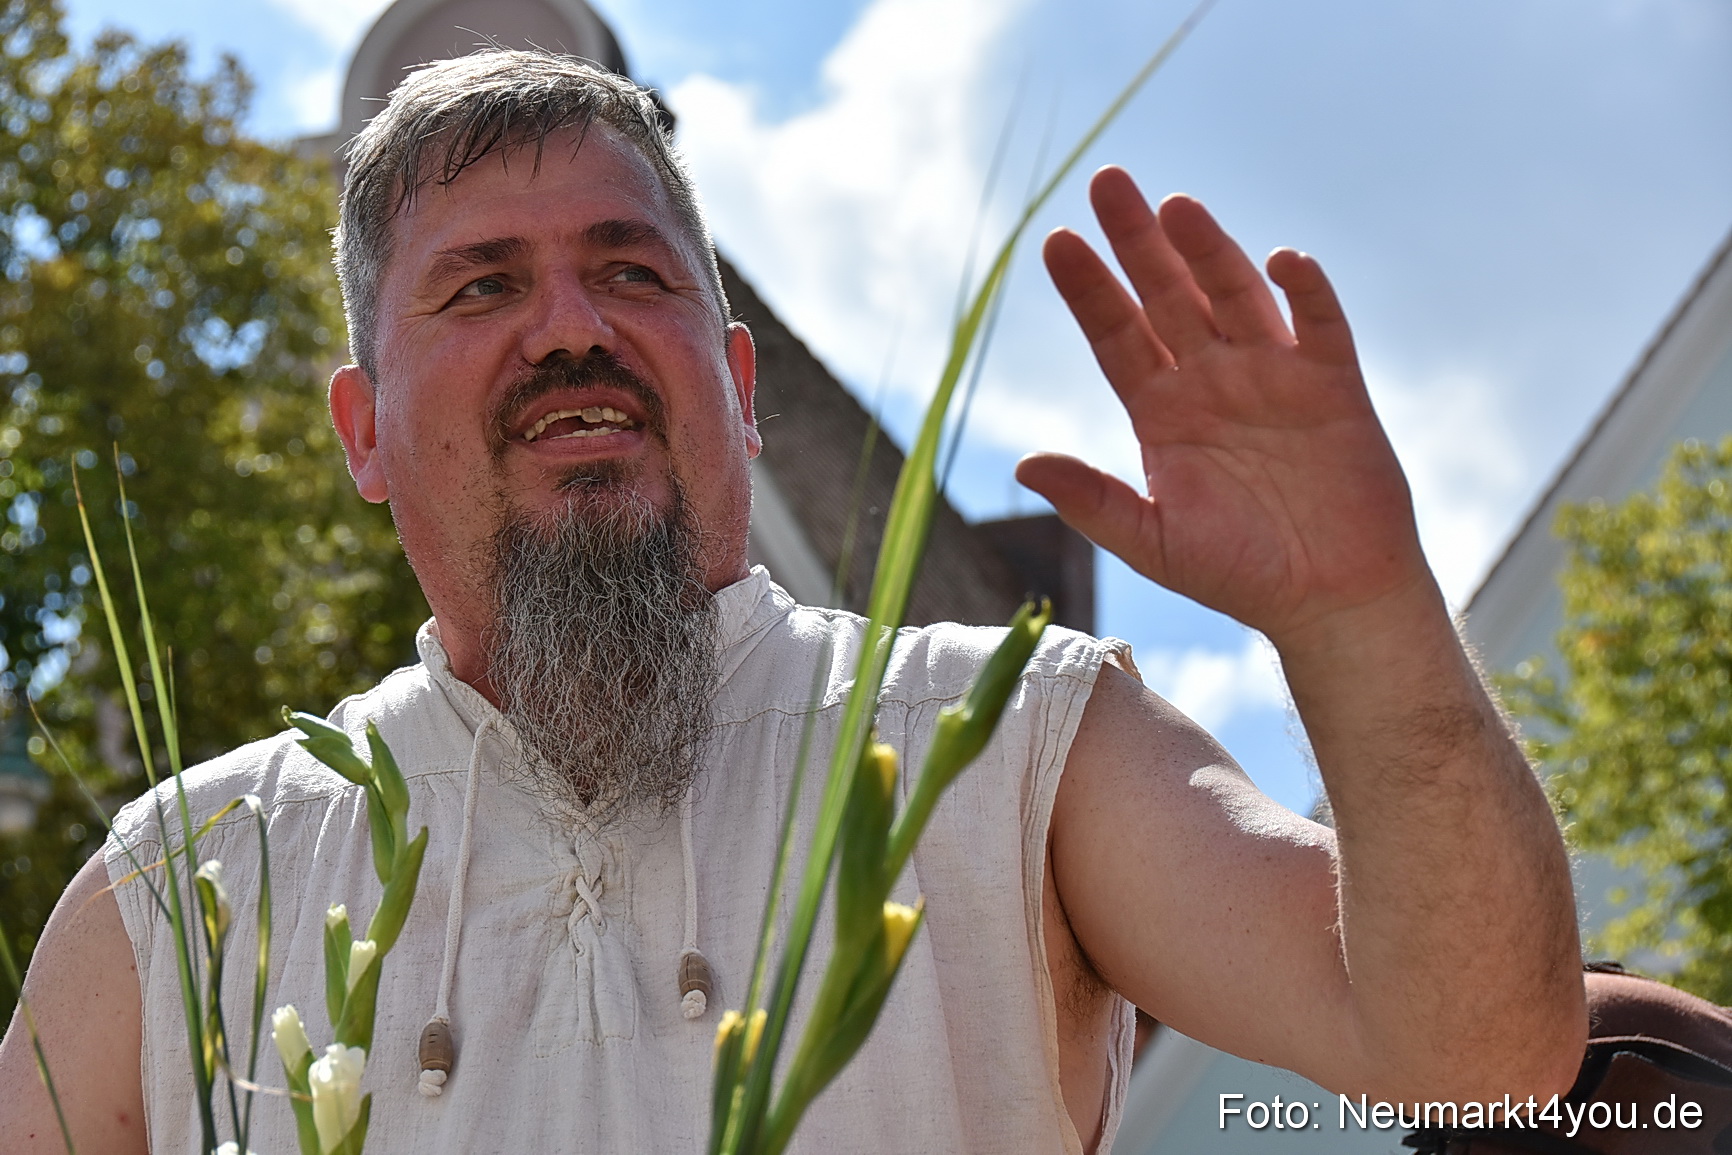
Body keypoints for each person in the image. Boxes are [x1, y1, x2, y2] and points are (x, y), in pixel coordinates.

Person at [0, 50, 1586, 1154]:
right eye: (482, 285)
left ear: (739, 384)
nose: (572, 329)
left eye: (634, 271)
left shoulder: (1008, 743)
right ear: (361, 430)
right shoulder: (187, 886)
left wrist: (1360, 615)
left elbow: (1480, 1063)